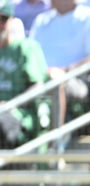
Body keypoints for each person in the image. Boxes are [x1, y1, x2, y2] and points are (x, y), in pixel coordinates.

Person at [29, 0, 90, 129]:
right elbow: (31, 53)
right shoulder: (41, 20)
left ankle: (56, 140)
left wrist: (66, 70)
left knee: (56, 81)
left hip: (79, 80)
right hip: (42, 78)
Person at [0, 0, 48, 150]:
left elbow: (39, 86)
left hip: (18, 116)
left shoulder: (26, 48)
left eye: (3, 19)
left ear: (12, 21)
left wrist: (10, 105)